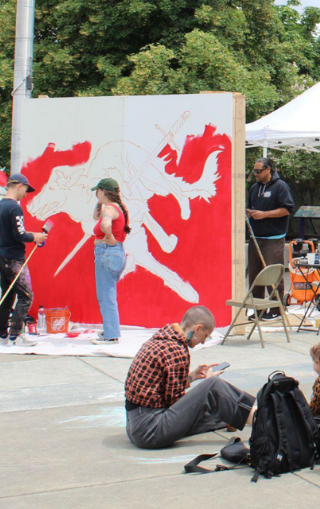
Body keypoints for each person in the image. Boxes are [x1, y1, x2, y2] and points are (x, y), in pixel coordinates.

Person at [125, 306, 255, 449]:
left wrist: (191, 377)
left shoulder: (163, 338)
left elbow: (161, 387)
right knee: (213, 386)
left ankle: (239, 415)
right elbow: (175, 403)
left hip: (135, 425)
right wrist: (208, 383)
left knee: (215, 408)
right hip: (150, 429)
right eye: (205, 336)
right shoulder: (177, 350)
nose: (204, 342)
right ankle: (259, 418)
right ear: (197, 328)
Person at [0, 173, 48, 347]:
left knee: (7, 296)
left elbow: (11, 232)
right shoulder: (15, 208)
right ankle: (16, 335)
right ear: (18, 186)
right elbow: (19, 234)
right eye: (25, 190)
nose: (25, 194)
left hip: (2, 256)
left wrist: (32, 235)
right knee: (26, 296)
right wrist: (35, 237)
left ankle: (1, 336)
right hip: (14, 259)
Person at [246, 157, 295, 319]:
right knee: (255, 274)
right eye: (254, 171)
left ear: (268, 170)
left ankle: (276, 309)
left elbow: (287, 209)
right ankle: (258, 309)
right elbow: (251, 206)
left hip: (273, 237)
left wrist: (264, 215)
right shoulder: (254, 188)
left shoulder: (280, 187)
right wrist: (250, 212)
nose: (256, 174)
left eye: (259, 171)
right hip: (255, 237)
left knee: (272, 274)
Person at [90, 178, 130, 345]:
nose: (96, 194)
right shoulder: (116, 207)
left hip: (107, 254)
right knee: (107, 294)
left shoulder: (110, 209)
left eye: (97, 191)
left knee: (106, 295)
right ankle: (109, 330)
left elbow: (105, 224)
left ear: (103, 191)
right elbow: (95, 217)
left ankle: (111, 335)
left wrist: (108, 236)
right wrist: (100, 202)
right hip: (113, 254)